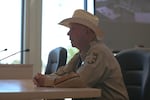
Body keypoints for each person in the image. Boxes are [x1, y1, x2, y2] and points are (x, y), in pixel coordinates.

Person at [33, 9, 129, 100]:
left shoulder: (99, 51)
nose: (68, 33)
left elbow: (80, 80)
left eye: (73, 29)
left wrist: (47, 81)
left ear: (87, 32)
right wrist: (45, 78)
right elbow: (63, 73)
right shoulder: (82, 53)